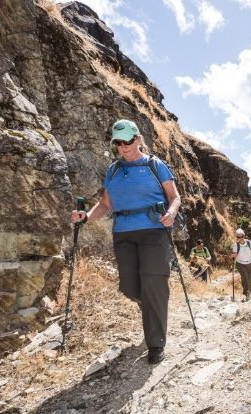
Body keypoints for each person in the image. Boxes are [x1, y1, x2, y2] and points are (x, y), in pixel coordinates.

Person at [70, 119, 180, 364]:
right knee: (129, 287)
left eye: (127, 141)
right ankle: (152, 307)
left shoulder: (155, 165)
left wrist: (171, 213)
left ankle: (155, 343)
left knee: (152, 283)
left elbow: (174, 196)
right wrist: (86, 216)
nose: (122, 147)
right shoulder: (114, 170)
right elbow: (106, 205)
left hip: (153, 230)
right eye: (117, 143)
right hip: (124, 233)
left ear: (138, 139)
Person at [231, 228, 251, 302]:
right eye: (238, 237)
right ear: (236, 237)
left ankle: (248, 292)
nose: (240, 238)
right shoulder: (236, 245)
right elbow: (234, 255)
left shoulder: (249, 242)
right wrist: (233, 256)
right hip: (240, 264)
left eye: (241, 236)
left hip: (250, 263)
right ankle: (247, 294)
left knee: (250, 279)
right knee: (245, 278)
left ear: (244, 236)